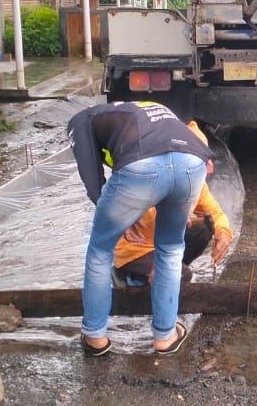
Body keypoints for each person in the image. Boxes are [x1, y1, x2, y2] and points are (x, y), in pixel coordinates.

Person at [67, 100, 213, 358]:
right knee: (170, 249)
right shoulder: (148, 109)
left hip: (141, 165)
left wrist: (119, 212)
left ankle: (95, 337)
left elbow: (92, 177)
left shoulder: (80, 120)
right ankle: (165, 337)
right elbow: (168, 160)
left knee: (100, 250)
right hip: (193, 161)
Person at [113, 121, 234, 287]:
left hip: (162, 243)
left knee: (205, 226)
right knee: (182, 275)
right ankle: (128, 277)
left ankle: (171, 270)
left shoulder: (198, 185)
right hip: (135, 250)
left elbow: (217, 213)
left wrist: (223, 234)